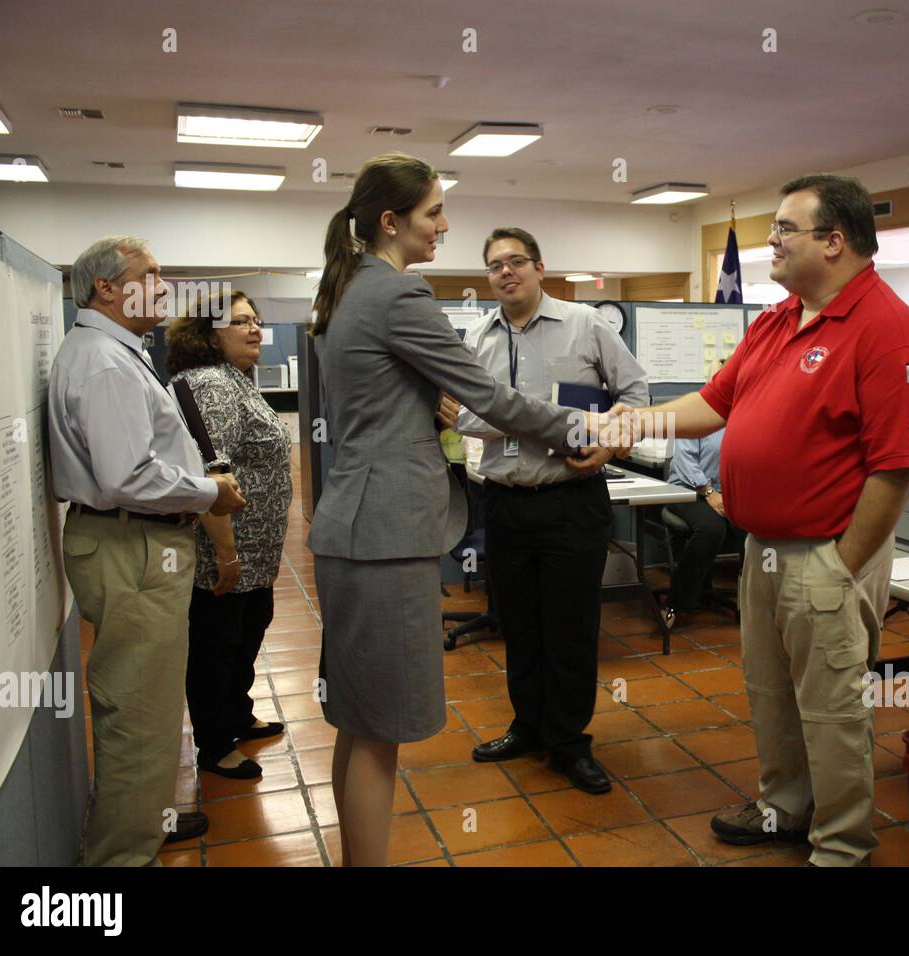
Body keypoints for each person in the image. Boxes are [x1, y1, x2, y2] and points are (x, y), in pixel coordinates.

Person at [609, 174, 909, 866]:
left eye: (785, 229)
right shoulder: (775, 320)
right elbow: (713, 402)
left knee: (831, 705)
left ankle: (842, 843)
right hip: (761, 546)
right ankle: (786, 809)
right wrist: (635, 421)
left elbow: (895, 469)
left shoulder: (888, 332)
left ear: (835, 241)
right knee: (770, 692)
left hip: (826, 552)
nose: (771, 241)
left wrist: (844, 565)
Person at [308, 152, 606, 866]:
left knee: (357, 723)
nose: (444, 225)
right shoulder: (396, 294)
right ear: (391, 221)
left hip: (353, 525)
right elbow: (492, 399)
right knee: (380, 731)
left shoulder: (350, 287)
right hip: (386, 534)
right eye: (433, 212)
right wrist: (581, 429)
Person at [48, 236, 246, 866]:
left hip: (135, 542)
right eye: (151, 275)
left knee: (149, 711)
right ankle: (117, 866)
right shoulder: (105, 363)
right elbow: (128, 478)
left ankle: (140, 828)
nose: (164, 288)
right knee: (139, 719)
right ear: (107, 287)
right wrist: (209, 490)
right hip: (129, 541)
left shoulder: (112, 352)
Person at [455, 227, 648, 794]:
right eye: (495, 266)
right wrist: (524, 420)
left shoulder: (585, 325)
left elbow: (636, 395)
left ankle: (568, 741)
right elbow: (460, 415)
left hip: (570, 498)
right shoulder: (477, 338)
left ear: (540, 267)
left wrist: (610, 446)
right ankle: (528, 727)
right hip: (506, 502)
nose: (506, 273)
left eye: (516, 262)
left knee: (570, 627)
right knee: (519, 624)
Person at [166, 291, 292, 779]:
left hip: (254, 549)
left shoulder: (235, 380)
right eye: (241, 322)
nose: (255, 329)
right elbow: (210, 472)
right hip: (226, 547)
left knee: (248, 627)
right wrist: (226, 552)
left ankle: (237, 714)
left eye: (257, 320)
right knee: (217, 643)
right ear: (210, 333)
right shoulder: (210, 385)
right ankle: (215, 742)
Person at [662, 428, 745, 630]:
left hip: (729, 491)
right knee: (711, 529)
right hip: (687, 490)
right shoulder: (701, 416)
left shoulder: (747, 415)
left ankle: (753, 603)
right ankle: (675, 602)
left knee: (754, 526)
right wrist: (708, 492)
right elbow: (683, 460)